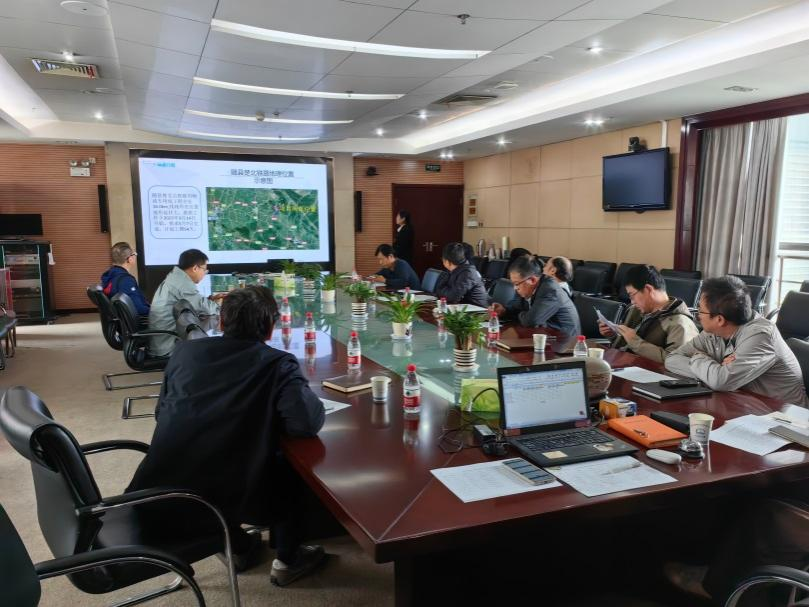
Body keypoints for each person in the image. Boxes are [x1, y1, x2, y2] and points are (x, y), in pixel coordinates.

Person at [127, 286, 326, 586]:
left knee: (218, 457)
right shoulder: (278, 364)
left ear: (221, 322)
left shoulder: (183, 353)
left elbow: (161, 413)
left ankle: (238, 547)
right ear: (270, 328)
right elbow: (304, 424)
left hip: (158, 491)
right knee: (290, 463)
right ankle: (289, 559)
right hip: (228, 498)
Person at [665, 276, 808, 404]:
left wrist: (699, 357)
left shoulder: (761, 336)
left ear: (719, 320)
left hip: (784, 415)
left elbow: (720, 382)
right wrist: (714, 370)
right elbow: (671, 359)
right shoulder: (712, 332)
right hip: (745, 404)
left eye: (700, 310)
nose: (698, 315)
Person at [599, 265, 699, 363]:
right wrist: (613, 336)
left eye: (632, 295)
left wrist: (635, 342)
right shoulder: (636, 310)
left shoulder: (680, 323)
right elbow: (625, 346)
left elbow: (676, 363)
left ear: (648, 289)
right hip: (625, 365)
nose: (632, 302)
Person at [148, 249, 224, 356]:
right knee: (219, 348)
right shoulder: (182, 283)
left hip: (163, 340)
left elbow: (195, 304)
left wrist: (210, 299)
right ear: (195, 268)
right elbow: (207, 309)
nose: (205, 273)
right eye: (204, 270)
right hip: (168, 345)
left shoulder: (176, 277)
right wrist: (229, 307)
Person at [491, 255, 581, 335]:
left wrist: (520, 314)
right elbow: (516, 307)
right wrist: (504, 310)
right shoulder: (524, 285)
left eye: (517, 284)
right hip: (543, 335)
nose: (515, 288)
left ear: (532, 280)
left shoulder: (550, 290)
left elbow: (531, 321)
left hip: (565, 341)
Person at [101, 242, 150, 317]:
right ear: (129, 259)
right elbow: (139, 308)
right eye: (134, 254)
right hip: (141, 320)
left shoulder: (111, 275)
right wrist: (156, 311)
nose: (135, 256)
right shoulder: (126, 281)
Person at [433, 242, 489, 307]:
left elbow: (452, 297)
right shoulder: (453, 270)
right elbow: (438, 290)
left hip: (477, 311)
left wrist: (442, 291)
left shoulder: (468, 273)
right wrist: (443, 291)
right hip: (463, 307)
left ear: (447, 262)